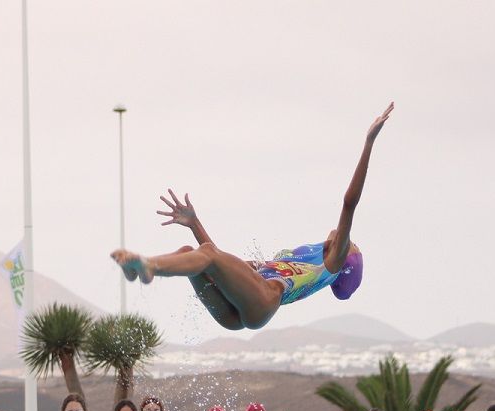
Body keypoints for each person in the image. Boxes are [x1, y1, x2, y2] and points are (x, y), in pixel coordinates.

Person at [110, 103, 393, 331]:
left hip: (263, 303)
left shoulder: (330, 264)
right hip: (239, 310)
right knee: (194, 254)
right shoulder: (293, 261)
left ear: (345, 259)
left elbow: (348, 203)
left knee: (206, 255)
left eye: (350, 245)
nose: (345, 239)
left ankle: (148, 266)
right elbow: (220, 261)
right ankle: (143, 268)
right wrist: (195, 223)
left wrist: (369, 142)